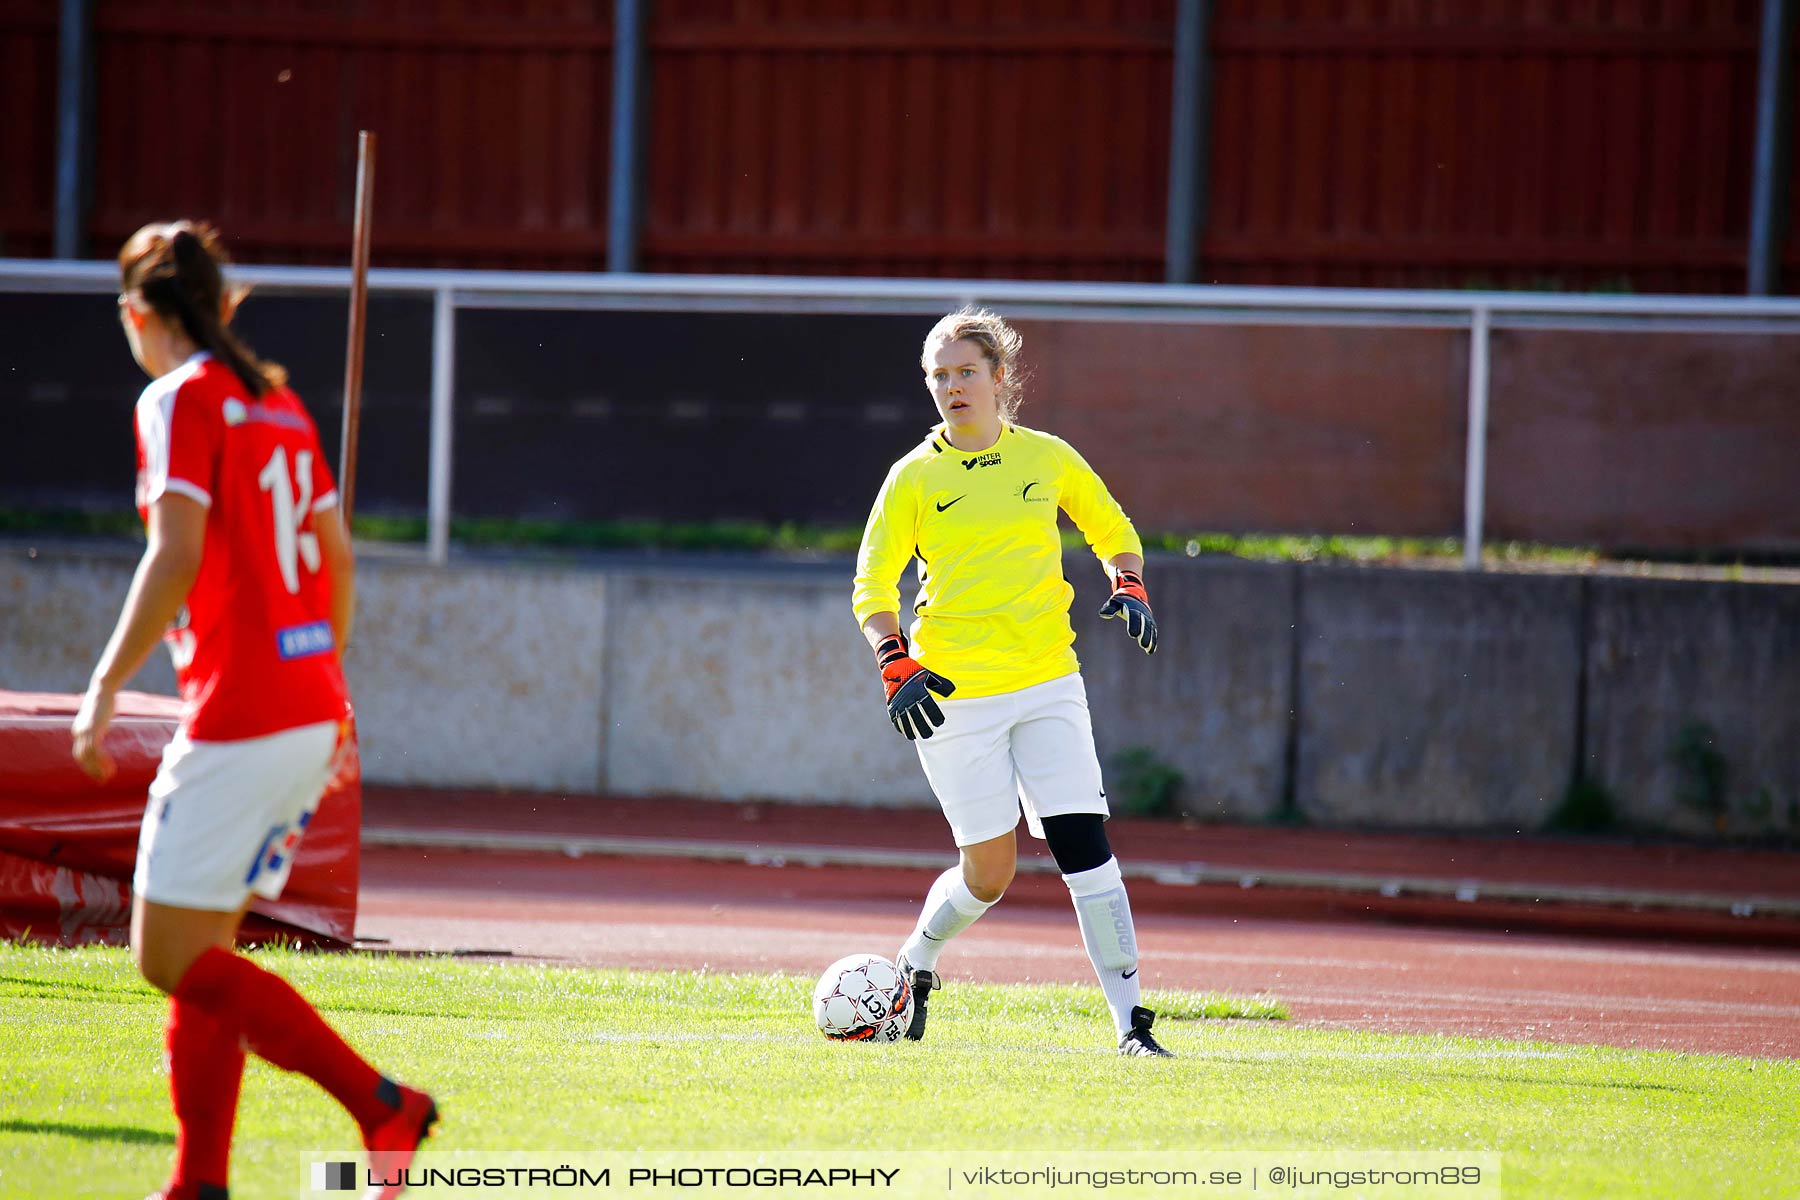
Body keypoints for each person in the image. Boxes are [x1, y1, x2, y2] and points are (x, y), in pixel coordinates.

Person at [69, 221, 436, 1200]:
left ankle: (380, 1104)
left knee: (164, 956)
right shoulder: (276, 400)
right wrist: (327, 684)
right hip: (309, 700)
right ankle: (199, 1184)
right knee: (205, 953)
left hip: (242, 710)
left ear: (140, 313)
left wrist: (104, 685)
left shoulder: (177, 399)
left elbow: (174, 553)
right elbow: (339, 559)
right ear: (223, 305)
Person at [852, 307, 1173, 1057]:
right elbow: (872, 582)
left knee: (1085, 847)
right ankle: (918, 960)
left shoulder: (1048, 458)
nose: (952, 387)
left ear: (1000, 378)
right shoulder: (913, 478)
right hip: (953, 698)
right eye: (939, 375)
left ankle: (1131, 1024)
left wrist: (1129, 582)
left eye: (966, 372)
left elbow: (1110, 525)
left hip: (1048, 682)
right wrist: (893, 658)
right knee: (989, 875)